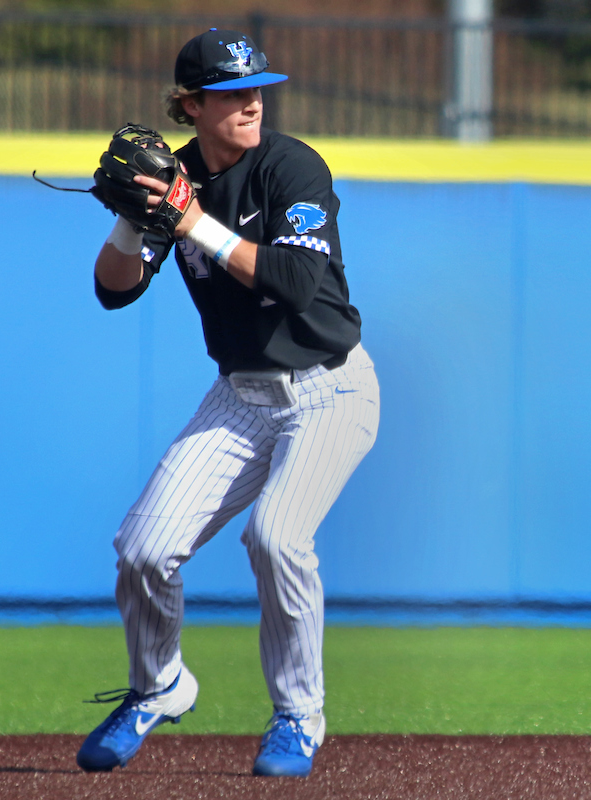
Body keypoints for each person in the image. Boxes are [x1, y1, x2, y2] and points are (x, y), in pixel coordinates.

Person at [75, 28, 380, 779]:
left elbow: (296, 283)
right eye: (231, 92)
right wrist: (131, 216)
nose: (251, 103)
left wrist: (188, 221)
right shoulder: (174, 181)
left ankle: (299, 716)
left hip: (330, 388)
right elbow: (113, 291)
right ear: (189, 106)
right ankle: (159, 686)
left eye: (257, 90)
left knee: (276, 537)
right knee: (142, 550)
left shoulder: (291, 167)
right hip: (240, 398)